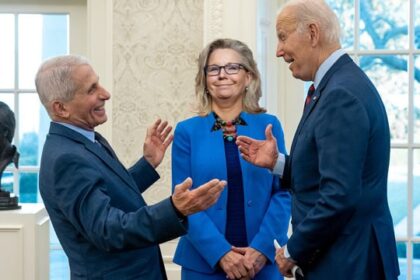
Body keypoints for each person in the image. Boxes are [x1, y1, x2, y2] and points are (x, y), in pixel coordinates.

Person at [236, 1, 400, 279]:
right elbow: (332, 175)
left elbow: (339, 195)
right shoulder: (338, 85)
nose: (278, 50)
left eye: (283, 36)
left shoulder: (340, 95)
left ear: (312, 33)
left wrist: (292, 251)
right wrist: (278, 163)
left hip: (349, 263)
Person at [35, 54, 226, 279]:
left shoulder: (84, 139)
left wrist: (147, 164)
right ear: (61, 108)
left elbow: (108, 194)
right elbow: (108, 230)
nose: (105, 94)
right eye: (91, 89)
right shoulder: (66, 159)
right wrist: (175, 209)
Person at [171, 38, 291, 280]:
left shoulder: (269, 126)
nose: (222, 75)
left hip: (262, 263)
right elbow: (183, 202)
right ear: (205, 80)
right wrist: (221, 253)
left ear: (248, 77)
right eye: (213, 69)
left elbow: (284, 192)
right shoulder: (187, 132)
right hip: (203, 265)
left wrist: (261, 248)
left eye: (232, 67)